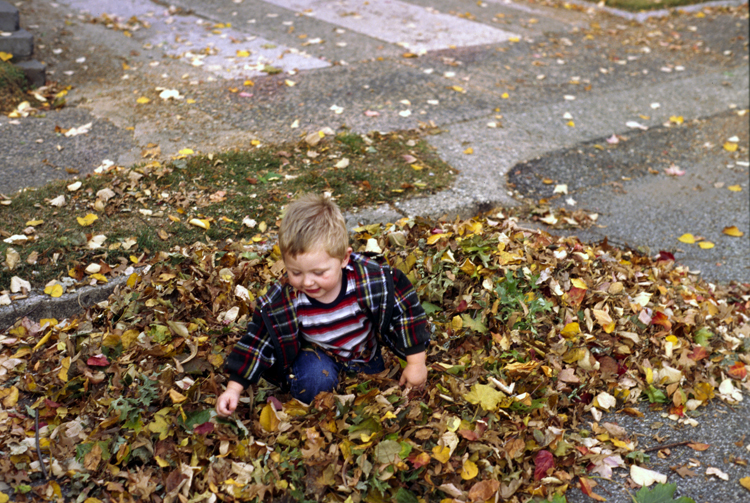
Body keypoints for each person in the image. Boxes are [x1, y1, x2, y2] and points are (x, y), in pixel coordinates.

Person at [216, 193, 430, 416]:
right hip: (317, 358)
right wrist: (234, 388)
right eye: (295, 272)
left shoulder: (369, 281)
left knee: (378, 390)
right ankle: (314, 401)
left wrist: (416, 363)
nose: (307, 282)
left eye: (319, 272)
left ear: (344, 259)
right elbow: (259, 341)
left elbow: (406, 312)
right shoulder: (285, 300)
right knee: (314, 381)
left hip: (365, 355)